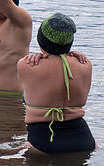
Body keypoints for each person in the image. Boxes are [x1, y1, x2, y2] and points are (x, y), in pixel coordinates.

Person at [18, 13, 96, 154]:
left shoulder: (26, 65)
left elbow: (26, 97)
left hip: (43, 141)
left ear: (41, 40)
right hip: (84, 140)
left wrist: (40, 56)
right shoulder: (85, 64)